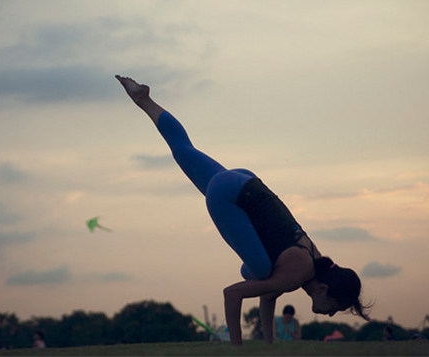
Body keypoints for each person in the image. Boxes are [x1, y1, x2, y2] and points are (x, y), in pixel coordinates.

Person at [115, 75, 370, 346]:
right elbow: (232, 294)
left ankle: (143, 99)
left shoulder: (311, 259)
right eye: (335, 306)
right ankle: (238, 346)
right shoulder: (297, 275)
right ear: (323, 288)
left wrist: (268, 344)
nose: (331, 313)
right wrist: (237, 348)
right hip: (229, 196)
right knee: (258, 272)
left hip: (246, 181)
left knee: (183, 149)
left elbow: (269, 296)